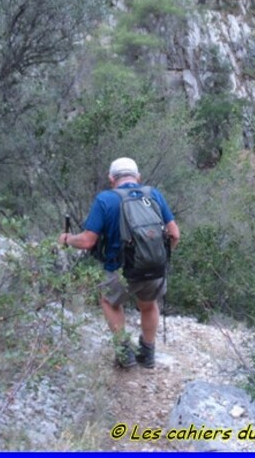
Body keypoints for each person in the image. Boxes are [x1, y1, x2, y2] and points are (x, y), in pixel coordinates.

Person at [58, 157, 180, 369]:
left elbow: (88, 241)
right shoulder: (154, 195)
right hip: (154, 268)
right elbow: (174, 234)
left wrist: (67, 239)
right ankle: (148, 353)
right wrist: (157, 257)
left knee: (109, 301)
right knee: (149, 304)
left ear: (111, 178)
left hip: (119, 269)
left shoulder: (106, 199)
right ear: (138, 177)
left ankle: (125, 353)